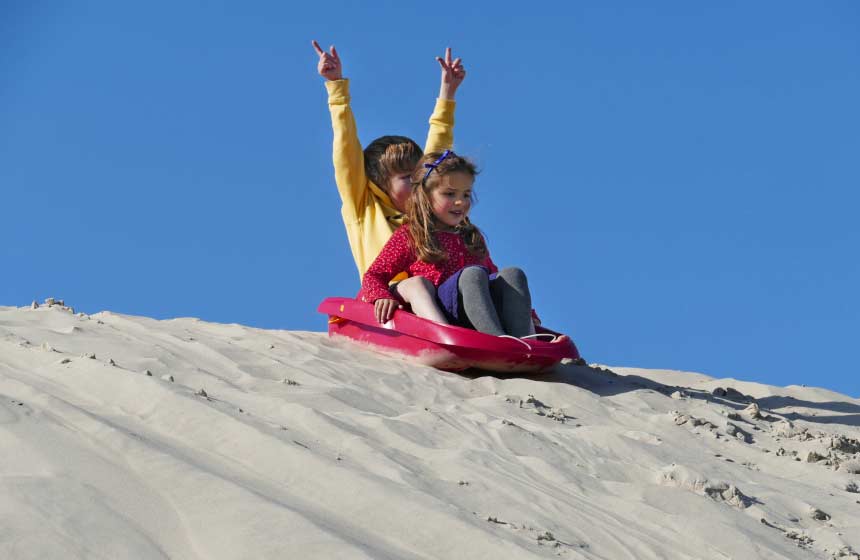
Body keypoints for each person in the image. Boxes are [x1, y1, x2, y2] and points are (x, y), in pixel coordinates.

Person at [312, 41, 466, 290]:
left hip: (438, 298)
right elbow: (346, 150)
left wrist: (447, 94)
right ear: (382, 186)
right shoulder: (364, 207)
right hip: (391, 300)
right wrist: (336, 88)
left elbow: (437, 154)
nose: (418, 183)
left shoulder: (428, 213)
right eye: (406, 177)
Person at [358, 151, 542, 339]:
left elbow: (493, 272)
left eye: (466, 194)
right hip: (445, 310)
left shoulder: (470, 236)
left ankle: (526, 341)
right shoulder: (411, 235)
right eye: (449, 193)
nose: (460, 201)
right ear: (426, 196)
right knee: (473, 274)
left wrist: (528, 314)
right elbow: (374, 275)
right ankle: (494, 339)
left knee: (512, 273)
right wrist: (381, 296)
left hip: (481, 309)